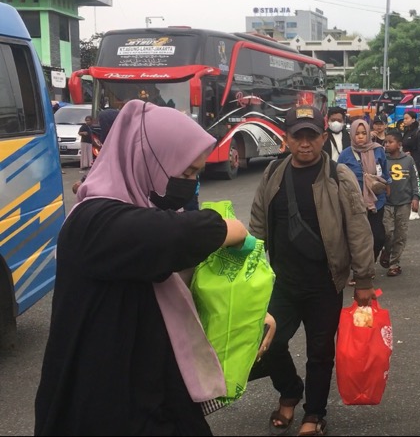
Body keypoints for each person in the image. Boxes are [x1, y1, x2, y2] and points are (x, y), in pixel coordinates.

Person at [35, 100, 250, 435]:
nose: (191, 185)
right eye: (187, 172)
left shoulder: (148, 212)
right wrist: (227, 228)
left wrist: (253, 311)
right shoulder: (92, 221)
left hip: (155, 394)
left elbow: (185, 282)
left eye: (196, 174)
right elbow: (172, 238)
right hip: (101, 407)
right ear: (150, 160)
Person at [249, 104, 376, 437]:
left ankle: (314, 413)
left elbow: (359, 228)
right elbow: (258, 224)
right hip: (281, 283)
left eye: (311, 136)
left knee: (320, 353)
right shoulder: (273, 173)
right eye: (297, 136)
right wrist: (251, 270)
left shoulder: (339, 175)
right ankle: (290, 389)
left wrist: (363, 278)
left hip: (325, 284)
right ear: (286, 139)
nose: (305, 144)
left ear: (323, 137)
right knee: (268, 343)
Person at [337, 118, 391, 262]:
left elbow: (385, 173)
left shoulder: (378, 150)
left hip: (376, 200)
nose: (360, 136)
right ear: (352, 135)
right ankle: (360, 269)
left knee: (378, 236)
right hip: (354, 202)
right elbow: (338, 178)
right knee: (358, 238)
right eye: (357, 133)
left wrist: (388, 188)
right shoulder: (345, 155)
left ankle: (369, 263)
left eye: (363, 133)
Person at [380, 131, 420, 277]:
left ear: (399, 144)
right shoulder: (382, 159)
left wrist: (416, 197)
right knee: (387, 232)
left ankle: (394, 263)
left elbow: (415, 180)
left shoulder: (408, 160)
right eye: (385, 142)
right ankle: (386, 250)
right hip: (387, 202)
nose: (387, 145)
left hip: (404, 202)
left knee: (400, 234)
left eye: (390, 142)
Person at [401, 111, 420, 179]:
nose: (404, 120)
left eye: (406, 118)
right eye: (404, 119)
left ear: (413, 119)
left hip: (415, 165)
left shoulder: (418, 133)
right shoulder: (407, 131)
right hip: (405, 163)